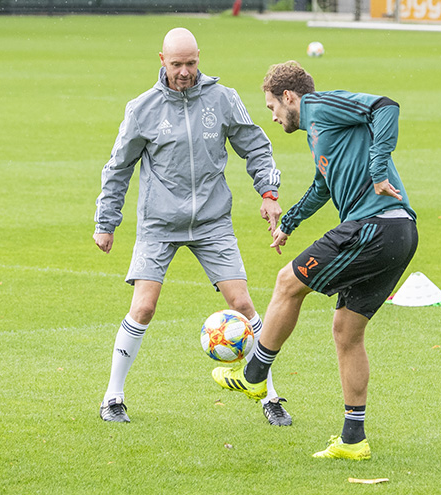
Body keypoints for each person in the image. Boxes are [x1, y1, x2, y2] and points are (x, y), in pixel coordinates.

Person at [212, 61, 418, 460]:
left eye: (272, 107)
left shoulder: (321, 106)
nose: (272, 117)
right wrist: (289, 222)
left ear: (290, 97)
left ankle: (255, 375)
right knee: (346, 331)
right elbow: (323, 185)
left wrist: (378, 169)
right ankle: (353, 440)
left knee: (288, 283)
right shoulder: (320, 133)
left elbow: (385, 106)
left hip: (376, 226)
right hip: (398, 234)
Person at [94, 28, 292, 426]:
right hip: (158, 223)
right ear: (162, 60)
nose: (184, 72)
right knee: (144, 306)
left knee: (242, 304)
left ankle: (269, 396)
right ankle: (112, 397)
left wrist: (269, 192)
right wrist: (106, 221)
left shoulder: (222, 99)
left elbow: (255, 145)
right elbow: (118, 168)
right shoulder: (142, 108)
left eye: (191, 63)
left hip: (212, 221)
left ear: (199, 58)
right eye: (176, 64)